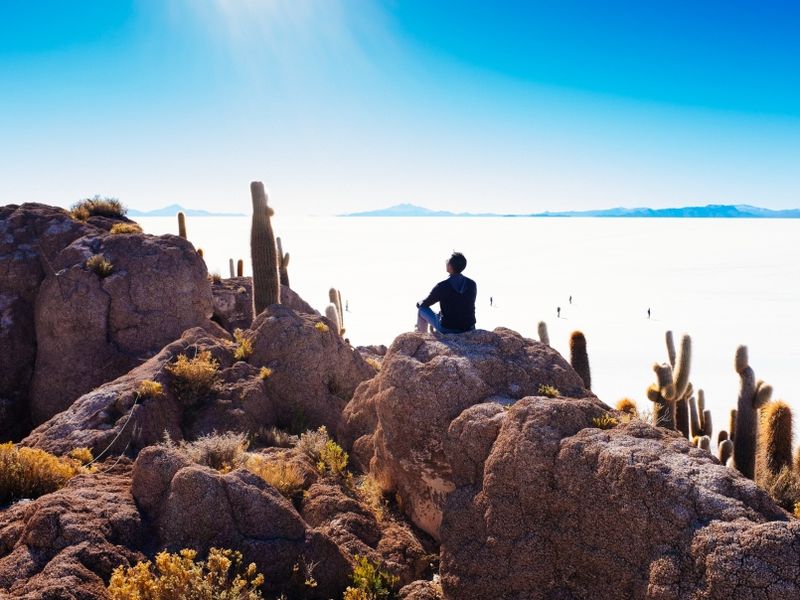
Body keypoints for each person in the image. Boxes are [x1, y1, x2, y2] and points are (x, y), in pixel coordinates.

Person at [416, 252, 477, 334]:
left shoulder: (443, 286)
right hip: (469, 328)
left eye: (447, 262)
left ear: (450, 267)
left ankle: (422, 337)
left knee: (421, 310)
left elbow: (425, 303)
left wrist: (419, 303)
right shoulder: (472, 284)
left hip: (448, 329)